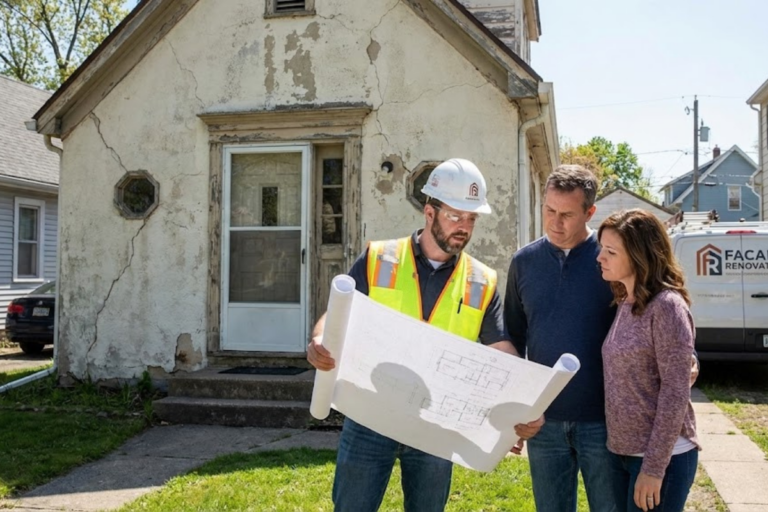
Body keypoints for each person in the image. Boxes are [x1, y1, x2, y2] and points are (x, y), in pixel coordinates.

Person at [308, 158, 542, 512]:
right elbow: (338, 312)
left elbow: (500, 348)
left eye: (472, 218)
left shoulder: (481, 281)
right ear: (429, 212)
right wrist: (319, 339)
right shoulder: (379, 258)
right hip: (369, 414)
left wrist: (525, 402)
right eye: (455, 216)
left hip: (435, 425)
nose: (464, 227)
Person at [504, 164, 625, 512]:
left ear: (590, 212)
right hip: (543, 421)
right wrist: (515, 408)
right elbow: (512, 337)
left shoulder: (612, 259)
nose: (555, 223)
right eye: (549, 210)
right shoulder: (523, 262)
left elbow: (650, 312)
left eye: (567, 215)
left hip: (604, 420)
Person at [597, 209, 700, 512]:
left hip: (662, 460)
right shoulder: (625, 302)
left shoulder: (667, 307)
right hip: (621, 454)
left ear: (639, 256)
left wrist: (654, 469)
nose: (600, 257)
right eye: (602, 248)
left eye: (611, 251)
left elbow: (674, 393)